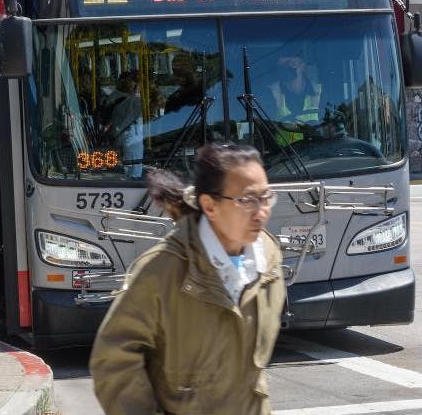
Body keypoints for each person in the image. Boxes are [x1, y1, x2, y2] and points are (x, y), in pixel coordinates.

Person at [89, 143, 284, 415]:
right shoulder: (162, 270)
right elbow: (113, 358)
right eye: (247, 200)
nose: (261, 211)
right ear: (210, 206)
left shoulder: (270, 259)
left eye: (265, 197)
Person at [104, 70, 144, 179]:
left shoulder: (113, 96)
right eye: (133, 81)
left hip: (119, 134)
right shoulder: (133, 101)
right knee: (134, 172)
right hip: (131, 135)